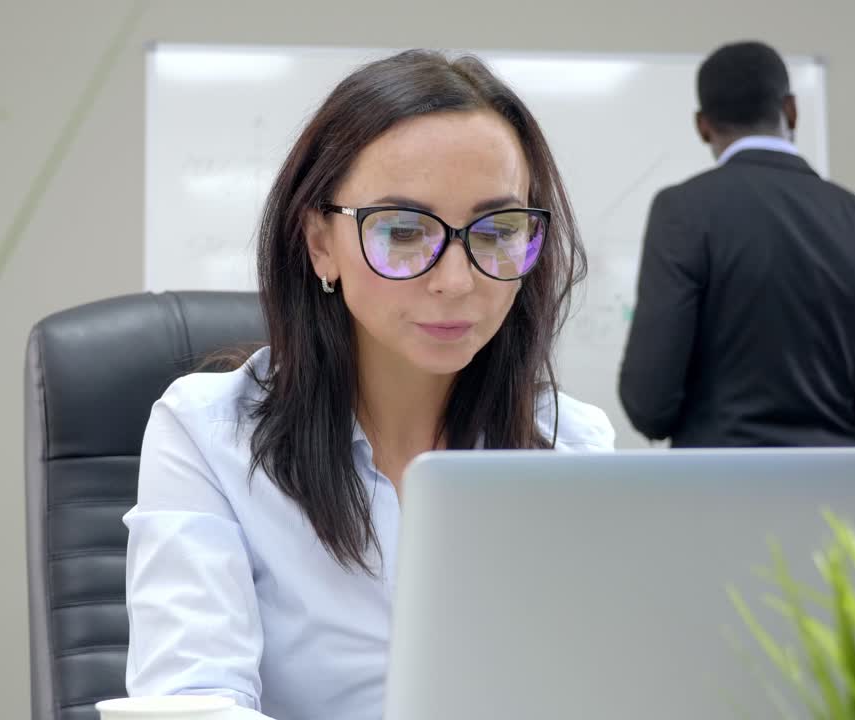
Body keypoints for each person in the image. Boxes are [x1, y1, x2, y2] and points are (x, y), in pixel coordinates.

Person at [123, 50, 615, 719]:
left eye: (497, 231)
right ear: (320, 242)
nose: (456, 280)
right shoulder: (210, 436)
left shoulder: (571, 447)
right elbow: (190, 703)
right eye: (406, 231)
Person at [619, 40, 855, 447]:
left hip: (717, 492)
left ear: (703, 125)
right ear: (791, 109)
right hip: (838, 498)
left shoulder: (684, 211)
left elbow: (649, 404)